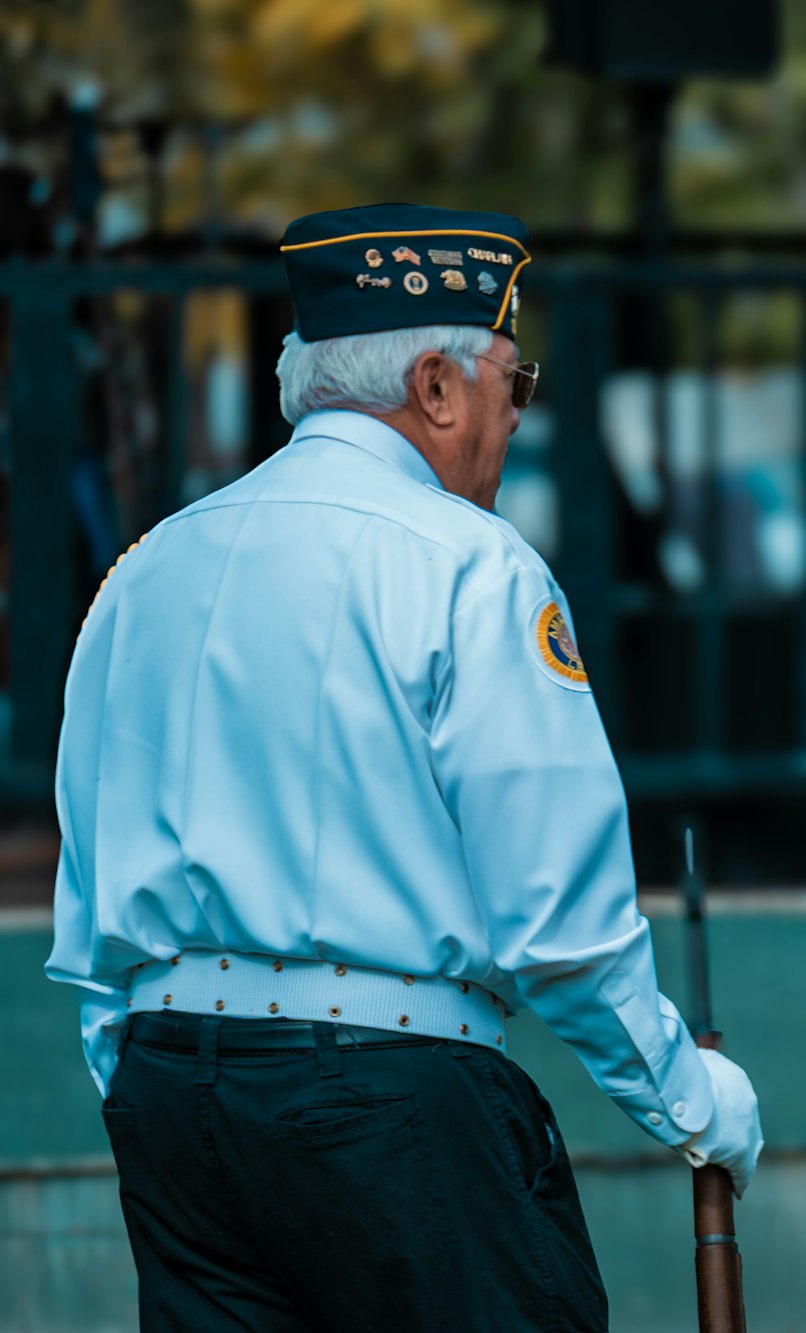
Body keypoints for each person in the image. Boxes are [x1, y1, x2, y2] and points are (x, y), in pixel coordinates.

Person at [46, 203, 763, 1331]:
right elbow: (560, 932)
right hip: (392, 1100)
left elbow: (88, 906)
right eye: (511, 387)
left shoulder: (147, 568)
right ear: (435, 386)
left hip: (173, 1090)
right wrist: (689, 1100)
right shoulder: (471, 566)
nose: (514, 421)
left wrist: (151, 1079)